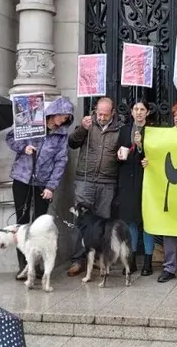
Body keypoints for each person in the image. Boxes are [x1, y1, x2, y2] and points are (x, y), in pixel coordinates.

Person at [6, 97, 73, 281]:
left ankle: (36, 265)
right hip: (22, 177)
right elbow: (10, 137)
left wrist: (51, 186)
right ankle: (24, 265)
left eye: (67, 118)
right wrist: (23, 147)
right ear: (53, 112)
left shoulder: (61, 135)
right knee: (22, 221)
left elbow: (61, 161)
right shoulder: (32, 122)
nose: (63, 120)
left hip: (43, 183)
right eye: (62, 116)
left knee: (40, 225)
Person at [141, 101, 177, 284]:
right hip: (170, 188)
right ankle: (169, 268)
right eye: (175, 114)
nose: (176, 117)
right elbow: (157, 157)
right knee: (169, 229)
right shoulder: (166, 135)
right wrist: (148, 162)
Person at [66, 97, 122, 277]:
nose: (102, 117)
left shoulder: (119, 129)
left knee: (102, 224)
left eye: (106, 114)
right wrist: (83, 128)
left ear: (112, 113)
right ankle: (77, 259)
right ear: (95, 110)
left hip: (107, 181)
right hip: (85, 180)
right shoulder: (88, 124)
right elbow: (72, 143)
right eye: (100, 113)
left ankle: (98, 258)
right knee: (80, 222)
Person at [117, 99, 154, 276]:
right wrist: (119, 155)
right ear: (131, 112)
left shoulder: (153, 132)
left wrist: (141, 147)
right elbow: (117, 151)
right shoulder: (124, 130)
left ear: (147, 112)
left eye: (142, 109)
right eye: (136, 109)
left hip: (147, 180)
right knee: (130, 221)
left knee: (147, 221)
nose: (139, 112)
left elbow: (158, 155)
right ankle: (131, 260)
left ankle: (148, 259)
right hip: (127, 180)